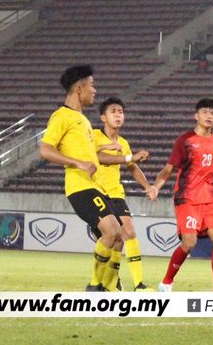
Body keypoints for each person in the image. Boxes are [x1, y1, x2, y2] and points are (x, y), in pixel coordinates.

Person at [39, 65, 123, 292]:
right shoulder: (62, 116)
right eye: (92, 84)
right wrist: (77, 163)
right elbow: (45, 149)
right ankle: (95, 286)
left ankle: (110, 287)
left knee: (118, 238)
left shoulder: (82, 119)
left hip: (96, 186)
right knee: (112, 232)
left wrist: (106, 148)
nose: (94, 90)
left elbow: (87, 152)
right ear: (79, 88)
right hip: (80, 187)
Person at [150, 98, 213, 292]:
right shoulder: (185, 140)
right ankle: (166, 283)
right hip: (187, 199)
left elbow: (211, 169)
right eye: (205, 112)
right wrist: (156, 186)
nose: (209, 116)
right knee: (189, 244)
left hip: (209, 200)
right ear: (196, 116)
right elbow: (169, 169)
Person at [93, 97, 158, 292]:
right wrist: (123, 154)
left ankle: (138, 284)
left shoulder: (123, 143)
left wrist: (148, 186)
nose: (118, 115)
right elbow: (96, 157)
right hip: (95, 193)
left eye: (120, 112)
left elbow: (132, 167)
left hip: (116, 194)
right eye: (113, 111)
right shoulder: (95, 136)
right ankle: (108, 282)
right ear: (103, 117)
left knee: (127, 232)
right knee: (115, 240)